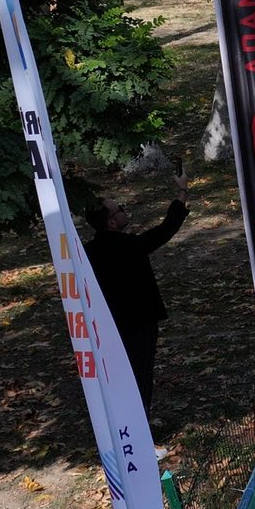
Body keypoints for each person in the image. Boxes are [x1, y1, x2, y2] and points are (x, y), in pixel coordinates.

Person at [85, 177, 188, 425]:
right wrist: (182, 191)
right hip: (139, 323)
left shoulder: (88, 252)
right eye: (119, 209)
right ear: (111, 222)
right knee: (140, 374)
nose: (124, 210)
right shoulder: (129, 246)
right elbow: (166, 229)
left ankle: (123, 423)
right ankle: (139, 426)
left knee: (118, 376)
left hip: (108, 325)